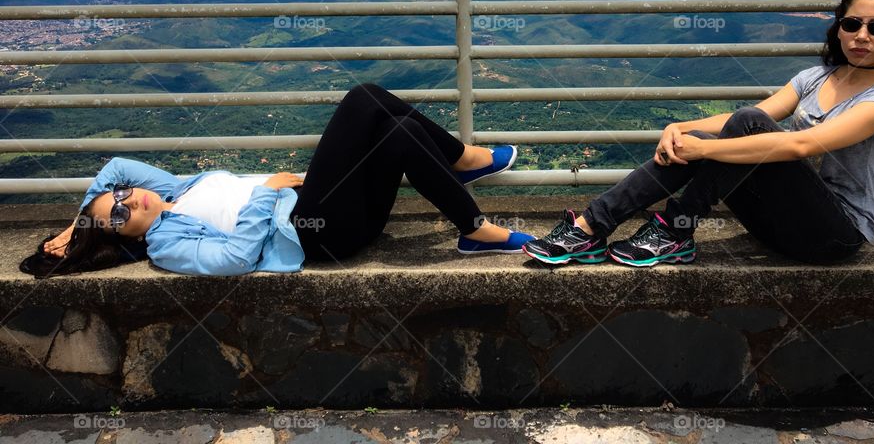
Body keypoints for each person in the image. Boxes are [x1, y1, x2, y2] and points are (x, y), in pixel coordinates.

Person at [523, 0, 874, 267]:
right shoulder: (817, 78)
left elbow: (802, 146)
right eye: (852, 24)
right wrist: (684, 127)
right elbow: (752, 118)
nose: (861, 35)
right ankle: (591, 227)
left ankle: (672, 233)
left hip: (832, 236)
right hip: (777, 223)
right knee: (732, 125)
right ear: (840, 28)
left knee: (739, 126)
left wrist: (705, 149)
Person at [21, 83, 532, 277]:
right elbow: (235, 259)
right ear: (126, 237)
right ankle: (465, 159)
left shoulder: (174, 190)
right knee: (362, 98)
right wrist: (266, 194)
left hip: (322, 204)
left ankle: (470, 228)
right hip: (318, 232)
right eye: (118, 216)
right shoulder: (164, 244)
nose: (127, 200)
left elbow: (113, 168)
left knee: (396, 130)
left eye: (121, 199)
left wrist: (79, 224)